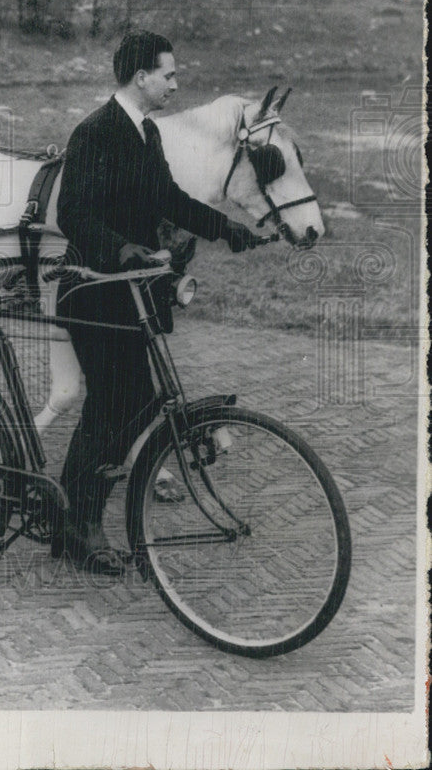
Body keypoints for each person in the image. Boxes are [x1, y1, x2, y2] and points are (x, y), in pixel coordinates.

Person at [54, 30, 259, 575]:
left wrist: (226, 228)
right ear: (140, 76)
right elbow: (71, 213)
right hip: (91, 288)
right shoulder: (95, 131)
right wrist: (120, 248)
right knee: (110, 405)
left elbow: (167, 197)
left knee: (134, 400)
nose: (175, 83)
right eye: (168, 74)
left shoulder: (146, 132)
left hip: (128, 291)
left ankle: (76, 510)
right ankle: (78, 523)